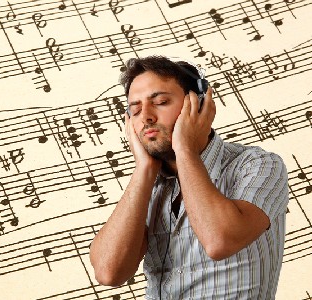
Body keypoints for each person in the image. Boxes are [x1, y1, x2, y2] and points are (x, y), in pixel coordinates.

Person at [89, 55, 289, 299]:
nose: (146, 117)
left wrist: (185, 149)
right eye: (136, 109)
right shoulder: (146, 185)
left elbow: (219, 242)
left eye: (160, 102)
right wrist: (143, 169)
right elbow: (109, 272)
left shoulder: (258, 165)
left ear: (199, 105)